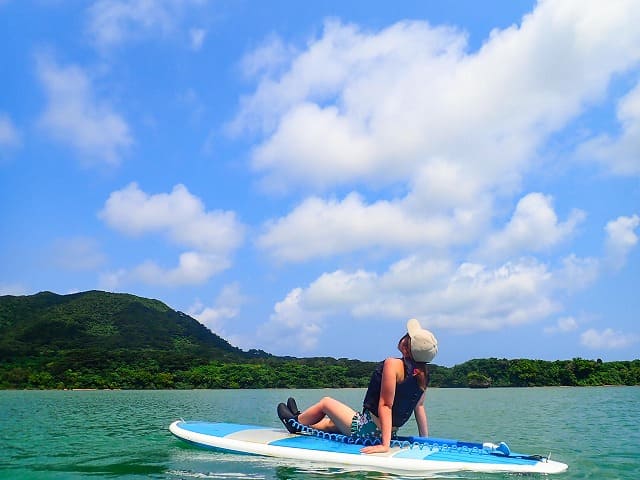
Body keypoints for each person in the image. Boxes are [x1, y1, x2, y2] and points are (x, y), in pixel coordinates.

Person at [277, 318, 438, 454]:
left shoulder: (392, 364)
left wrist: (385, 445)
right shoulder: (422, 375)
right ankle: (303, 419)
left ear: (405, 347)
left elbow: (386, 405)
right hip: (385, 431)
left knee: (326, 403)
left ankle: (294, 422)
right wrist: (425, 440)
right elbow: (419, 408)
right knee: (330, 424)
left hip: (368, 429)